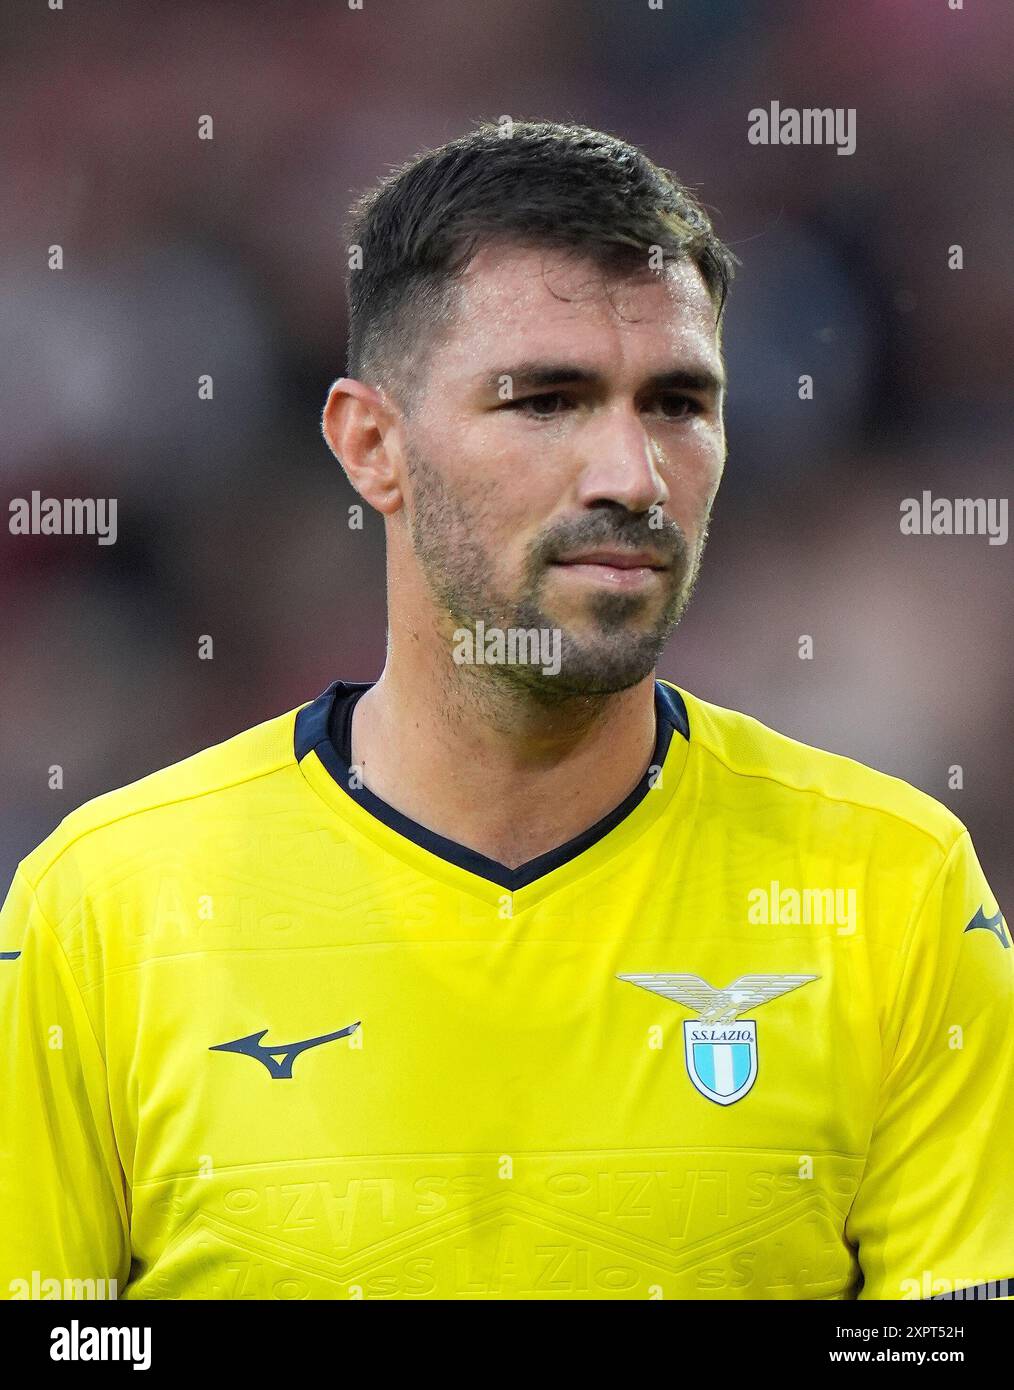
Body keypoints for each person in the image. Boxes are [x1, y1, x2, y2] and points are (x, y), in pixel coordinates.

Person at [1, 120, 1010, 1301]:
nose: (633, 478)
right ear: (371, 444)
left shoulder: (896, 885)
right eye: (546, 401)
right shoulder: (107, 906)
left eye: (680, 404)